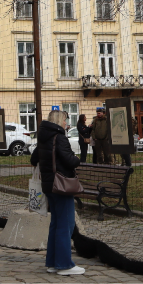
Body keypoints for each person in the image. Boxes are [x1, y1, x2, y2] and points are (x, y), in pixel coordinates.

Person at [31, 110, 84, 276]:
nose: (66, 123)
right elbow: (69, 160)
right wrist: (77, 158)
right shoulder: (59, 137)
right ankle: (64, 264)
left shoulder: (43, 137)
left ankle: (53, 263)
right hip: (61, 185)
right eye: (64, 120)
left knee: (56, 224)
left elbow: (33, 159)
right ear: (59, 121)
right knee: (65, 225)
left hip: (49, 186)